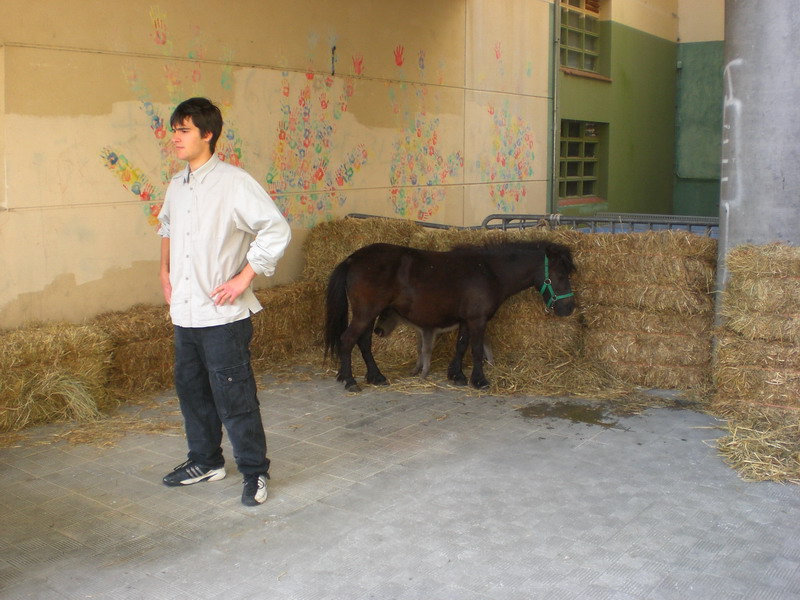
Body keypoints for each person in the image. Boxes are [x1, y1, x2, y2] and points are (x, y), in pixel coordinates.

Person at [157, 97, 291, 506]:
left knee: (235, 398)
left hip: (223, 316)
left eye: (184, 130)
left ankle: (255, 471)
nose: (175, 138)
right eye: (174, 130)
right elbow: (166, 226)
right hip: (186, 314)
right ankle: (206, 461)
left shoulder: (235, 183)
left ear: (207, 134)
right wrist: (163, 271)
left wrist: (243, 278)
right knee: (192, 392)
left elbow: (276, 229)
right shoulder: (177, 185)